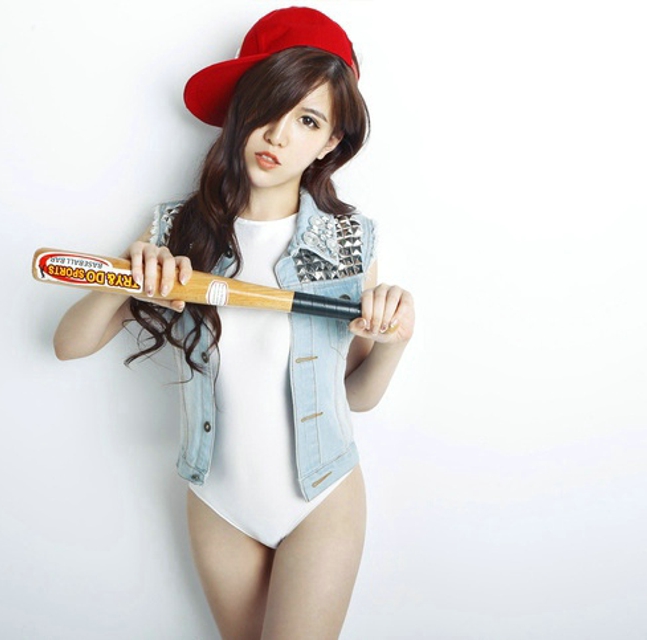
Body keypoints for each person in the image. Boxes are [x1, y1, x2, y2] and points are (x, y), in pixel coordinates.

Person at [52, 7, 414, 638]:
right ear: (240, 110)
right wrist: (125, 280)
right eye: (269, 107)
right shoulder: (176, 231)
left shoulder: (349, 240)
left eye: (307, 120)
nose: (278, 136)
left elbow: (355, 396)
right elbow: (67, 345)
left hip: (322, 496)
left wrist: (393, 343)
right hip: (216, 501)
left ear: (331, 142)